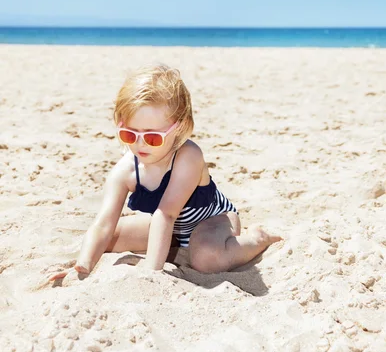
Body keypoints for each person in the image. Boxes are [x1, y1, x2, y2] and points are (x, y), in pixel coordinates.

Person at [49, 64, 282, 281]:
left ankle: (256, 238)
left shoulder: (188, 156)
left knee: (207, 260)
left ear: (179, 128)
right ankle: (176, 249)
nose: (141, 145)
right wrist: (83, 266)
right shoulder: (126, 170)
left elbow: (167, 214)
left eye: (152, 137)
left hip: (211, 221)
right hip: (170, 230)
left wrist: (151, 273)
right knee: (108, 238)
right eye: (130, 135)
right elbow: (103, 223)